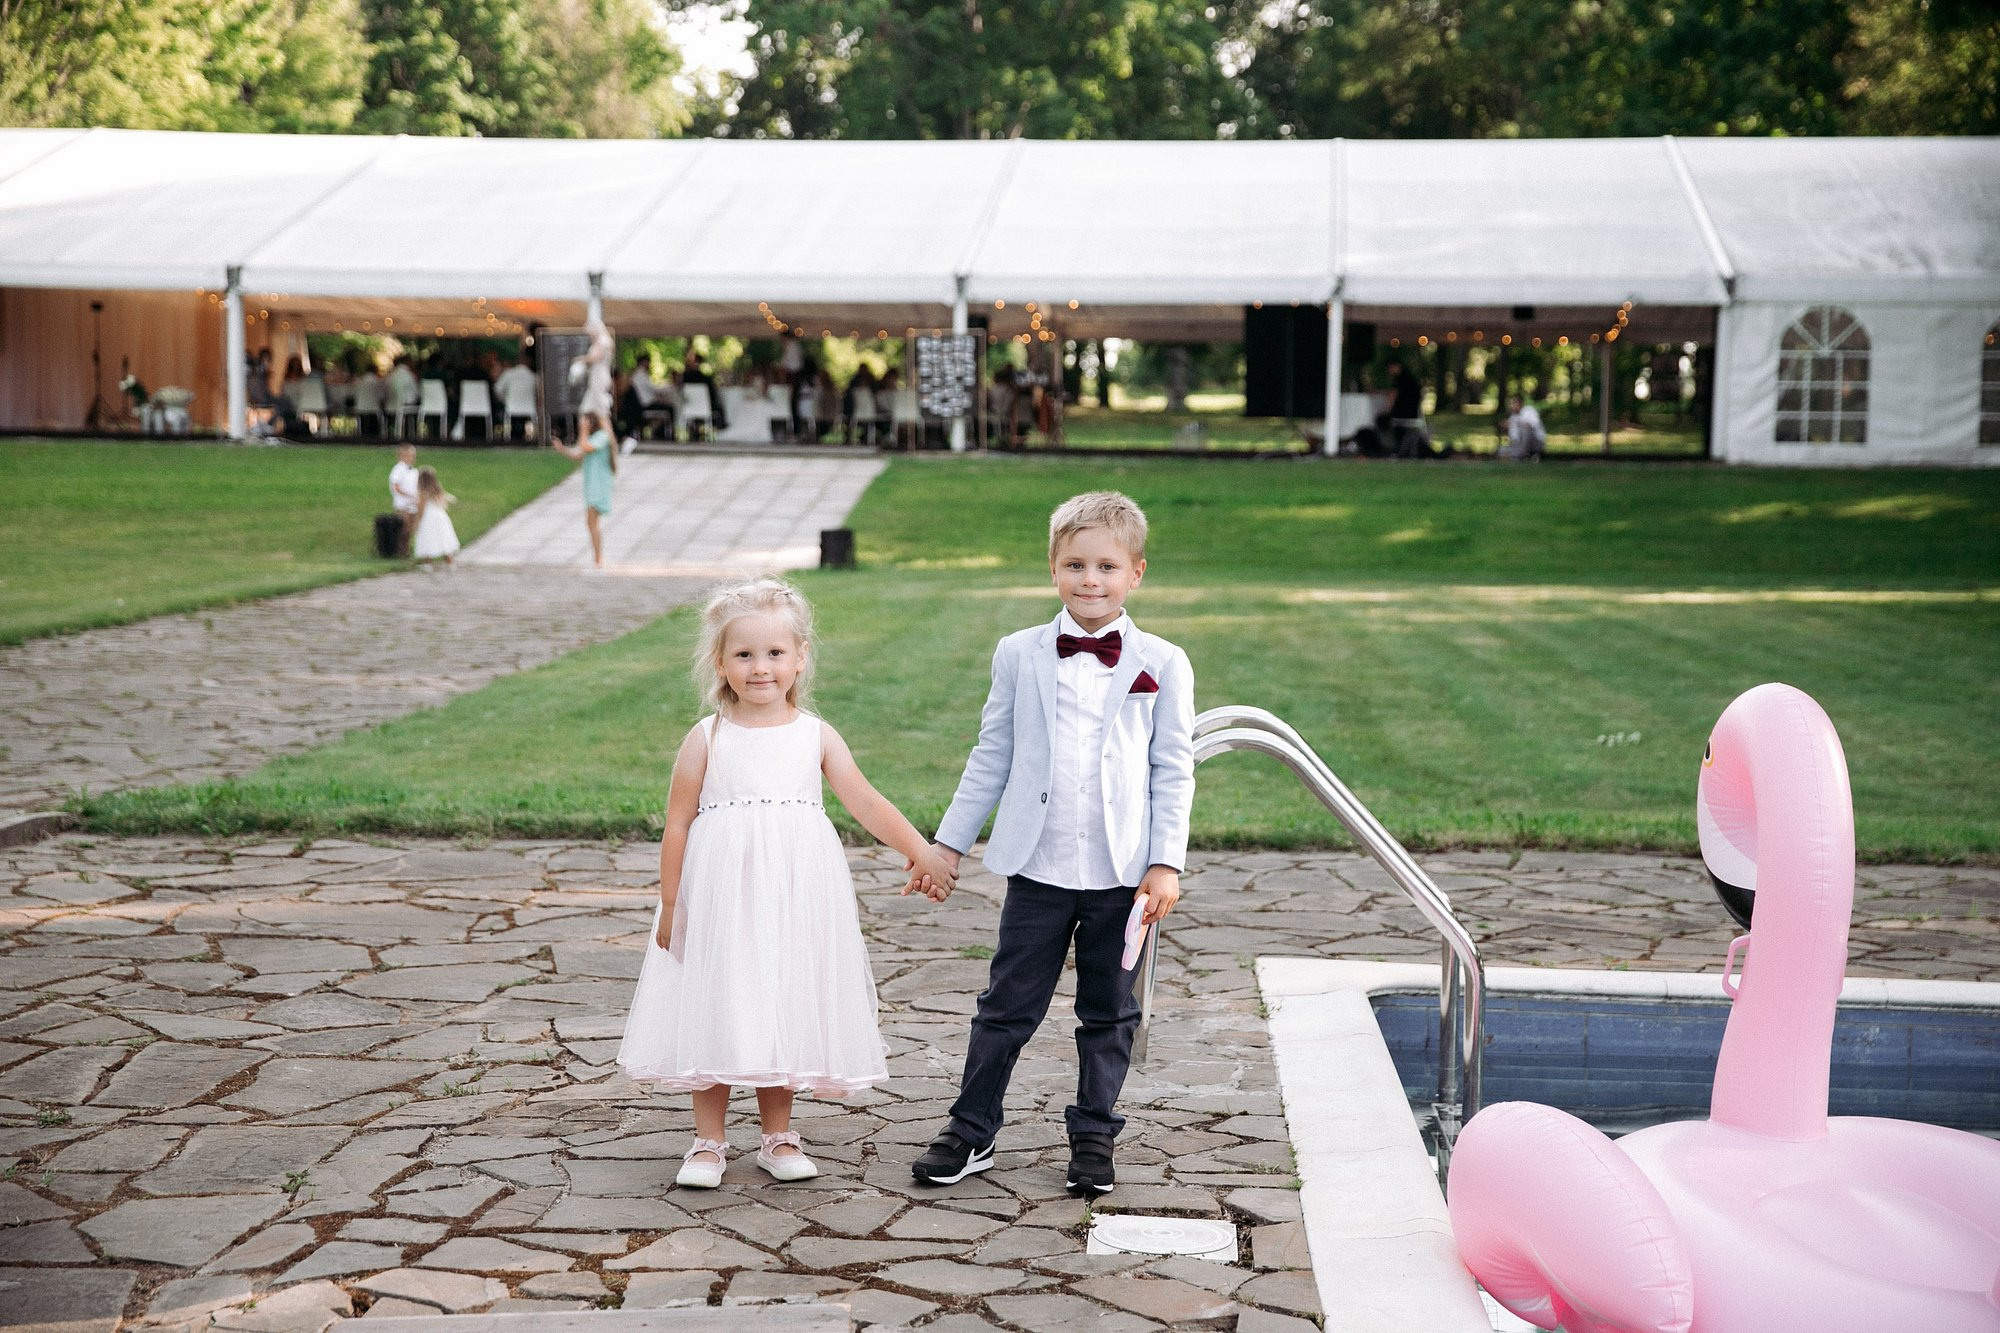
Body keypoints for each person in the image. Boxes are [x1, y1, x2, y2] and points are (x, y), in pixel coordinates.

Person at [617, 580, 958, 1188]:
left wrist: (922, 852)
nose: (760, 667)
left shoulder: (815, 735)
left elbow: (866, 802)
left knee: (780, 997)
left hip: (796, 893)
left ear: (800, 656)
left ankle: (778, 1136)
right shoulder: (707, 738)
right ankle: (707, 1141)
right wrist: (672, 903)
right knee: (720, 998)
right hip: (720, 895)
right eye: (744, 654)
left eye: (775, 653)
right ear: (720, 662)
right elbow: (677, 823)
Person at [912, 491, 1196, 1196]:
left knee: (1109, 1011)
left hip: (1122, 876)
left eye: (1106, 565)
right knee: (1006, 1005)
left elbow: (1173, 768)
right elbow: (991, 755)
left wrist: (1165, 861)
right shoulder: (1019, 653)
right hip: (1037, 869)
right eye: (1075, 564)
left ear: (1136, 573)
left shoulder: (1163, 660)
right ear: (1052, 569)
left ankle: (1094, 1134)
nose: (1090, 579)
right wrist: (948, 844)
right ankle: (970, 1129)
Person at [552, 410, 617, 569]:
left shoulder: (602, 437)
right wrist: (562, 449)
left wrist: (583, 431)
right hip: (591, 484)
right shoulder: (593, 438)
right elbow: (579, 455)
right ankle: (597, 557)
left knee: (592, 521)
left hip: (599, 484)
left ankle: (598, 558)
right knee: (590, 522)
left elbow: (585, 447)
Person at [411, 465, 460, 568]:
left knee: (428, 538)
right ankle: (450, 562)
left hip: (428, 518)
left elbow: (421, 508)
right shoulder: (437, 489)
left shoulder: (422, 492)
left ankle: (427, 563)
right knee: (443, 537)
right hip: (440, 516)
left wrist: (417, 520)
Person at [494, 353, 538, 441]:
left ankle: (508, 438)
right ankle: (534, 439)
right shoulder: (533, 376)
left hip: (511, 407)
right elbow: (539, 393)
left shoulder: (508, 374)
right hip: (529, 408)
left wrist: (504, 400)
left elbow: (497, 389)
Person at [388, 444, 420, 556]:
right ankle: (399, 551)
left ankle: (406, 550)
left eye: (411, 456)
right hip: (402, 504)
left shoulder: (414, 471)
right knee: (403, 528)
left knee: (410, 529)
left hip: (413, 505)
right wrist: (409, 495)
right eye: (406, 456)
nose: (409, 458)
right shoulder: (398, 469)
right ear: (400, 456)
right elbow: (396, 486)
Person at [1500, 394, 1546, 460]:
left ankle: (1522, 454)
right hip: (1519, 444)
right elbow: (1514, 436)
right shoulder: (1513, 416)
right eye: (1510, 404)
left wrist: (1515, 423)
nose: (1511, 406)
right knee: (1502, 450)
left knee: (1524, 429)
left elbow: (1531, 426)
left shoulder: (1529, 411)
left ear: (1520, 403)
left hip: (1535, 442)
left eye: (1513, 403)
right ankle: (1521, 455)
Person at [385, 357, 419, 437]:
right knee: (414, 409)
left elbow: (385, 389)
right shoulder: (409, 375)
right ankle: (411, 434)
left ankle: (390, 434)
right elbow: (416, 391)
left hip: (391, 405)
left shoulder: (391, 375)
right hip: (406, 404)